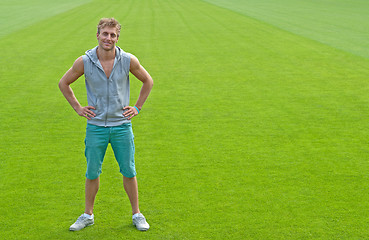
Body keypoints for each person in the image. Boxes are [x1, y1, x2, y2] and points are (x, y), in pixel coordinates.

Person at [58, 17, 153, 232]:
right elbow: (63, 83)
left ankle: (137, 214)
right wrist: (78, 108)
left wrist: (137, 107)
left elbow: (148, 80)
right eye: (105, 34)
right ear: (98, 35)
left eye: (113, 35)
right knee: (92, 171)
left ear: (117, 38)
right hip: (96, 126)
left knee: (129, 170)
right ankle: (88, 215)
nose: (108, 38)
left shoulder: (128, 60)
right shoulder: (84, 61)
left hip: (121, 126)